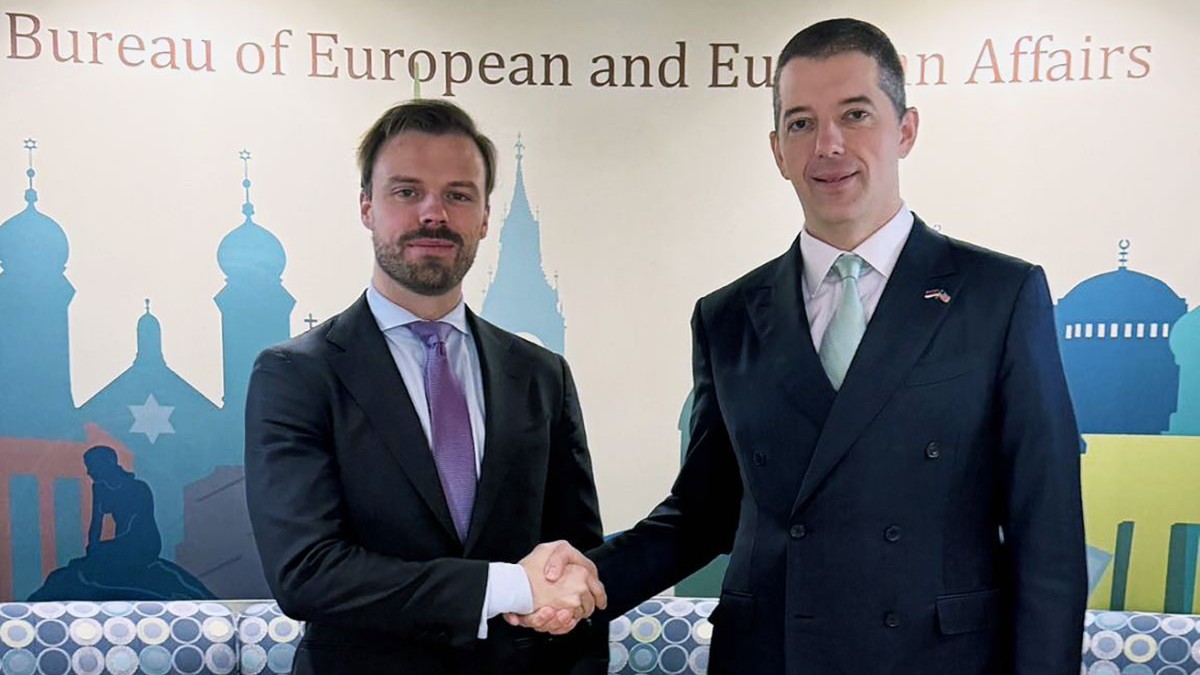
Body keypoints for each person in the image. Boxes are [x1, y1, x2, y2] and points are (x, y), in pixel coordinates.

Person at [525, 18, 1087, 674]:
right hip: (772, 657)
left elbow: (1047, 537)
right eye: (801, 123)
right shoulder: (728, 316)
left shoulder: (998, 296)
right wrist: (585, 578)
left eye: (855, 114)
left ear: (905, 130)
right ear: (777, 150)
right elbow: (702, 514)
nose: (828, 144)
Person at [244, 99, 607, 675]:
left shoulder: (542, 375)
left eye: (458, 195)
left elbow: (577, 562)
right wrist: (509, 587)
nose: (433, 214)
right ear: (367, 207)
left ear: (484, 217)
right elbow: (307, 572)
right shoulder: (296, 375)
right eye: (407, 191)